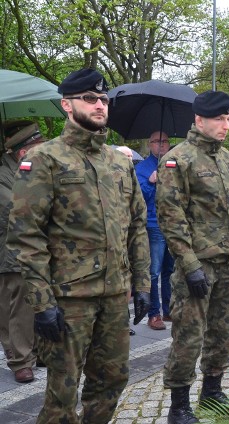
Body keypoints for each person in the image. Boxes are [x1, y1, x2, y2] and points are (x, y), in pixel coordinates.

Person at [6, 68, 151, 423]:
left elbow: (136, 224)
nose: (100, 105)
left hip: (115, 295)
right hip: (69, 298)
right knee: (62, 392)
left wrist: (143, 282)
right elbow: (26, 234)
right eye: (90, 98)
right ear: (66, 105)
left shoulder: (119, 161)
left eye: (103, 99)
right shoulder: (45, 159)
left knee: (112, 379)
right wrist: (42, 303)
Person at [156, 90, 229, 423]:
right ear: (199, 120)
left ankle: (212, 393)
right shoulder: (178, 159)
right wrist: (188, 264)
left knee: (224, 334)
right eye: (219, 119)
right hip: (197, 267)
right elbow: (171, 215)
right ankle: (179, 406)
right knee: (188, 336)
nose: (226, 125)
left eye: (228, 118)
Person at [0, 120, 44, 383]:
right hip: (10, 251)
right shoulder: (4, 176)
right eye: (37, 146)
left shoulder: (32, 170)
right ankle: (20, 360)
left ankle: (31, 351)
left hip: (33, 248)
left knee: (31, 302)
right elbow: (12, 212)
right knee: (17, 306)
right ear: (22, 151)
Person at [135, 131, 174, 330]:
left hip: (173, 224)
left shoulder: (174, 165)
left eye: (165, 141)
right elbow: (138, 198)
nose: (162, 145)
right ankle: (154, 314)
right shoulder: (142, 168)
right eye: (157, 141)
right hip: (154, 225)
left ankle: (169, 310)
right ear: (150, 144)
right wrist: (150, 182)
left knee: (170, 270)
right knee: (154, 272)